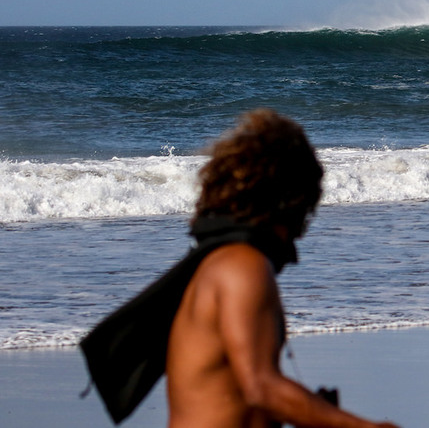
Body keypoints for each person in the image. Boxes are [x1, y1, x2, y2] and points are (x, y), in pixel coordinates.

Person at [81, 110, 399, 428]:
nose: (302, 227)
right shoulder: (241, 266)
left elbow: (245, 397)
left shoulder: (222, 262)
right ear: (288, 198)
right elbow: (261, 389)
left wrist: (315, 411)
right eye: (304, 207)